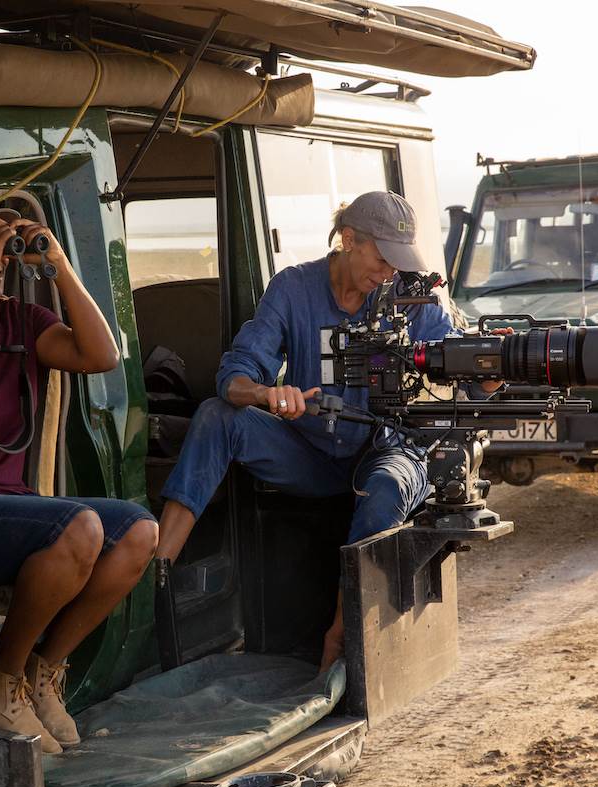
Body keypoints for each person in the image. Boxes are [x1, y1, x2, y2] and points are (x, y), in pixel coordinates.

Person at [153, 191, 503, 672]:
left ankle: (341, 639)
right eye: (381, 258)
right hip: (310, 451)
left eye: (397, 263)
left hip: (389, 449)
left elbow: (467, 373)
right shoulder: (294, 288)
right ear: (348, 239)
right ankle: (155, 579)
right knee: (217, 417)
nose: (387, 273)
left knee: (384, 486)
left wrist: (488, 372)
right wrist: (266, 395)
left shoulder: (413, 295)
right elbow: (234, 376)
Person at [0, 198, 158, 751]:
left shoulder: (20, 319)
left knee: (137, 531)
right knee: (78, 527)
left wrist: (56, 260)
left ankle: (38, 672)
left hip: (8, 502)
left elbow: (102, 355)